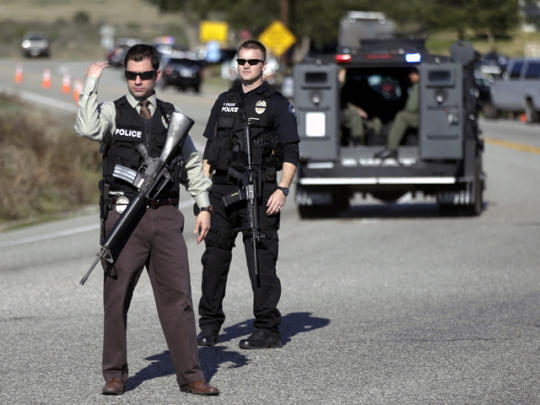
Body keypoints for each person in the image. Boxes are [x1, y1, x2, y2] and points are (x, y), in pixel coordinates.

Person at [74, 44, 219, 396]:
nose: (137, 81)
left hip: (166, 215)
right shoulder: (112, 111)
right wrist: (90, 83)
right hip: (124, 214)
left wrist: (203, 206)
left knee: (178, 299)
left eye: (144, 74)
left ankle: (191, 375)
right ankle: (115, 374)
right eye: (131, 75)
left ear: (157, 75)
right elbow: (87, 128)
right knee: (116, 298)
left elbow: (189, 164)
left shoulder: (172, 116)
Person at [197, 40, 299, 349]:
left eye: (252, 61)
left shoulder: (277, 103)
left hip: (260, 192)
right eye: (241, 60)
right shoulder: (225, 100)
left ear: (264, 66)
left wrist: (282, 189)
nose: (246, 65)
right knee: (214, 260)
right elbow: (208, 153)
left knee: (260, 262)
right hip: (222, 191)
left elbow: (291, 151)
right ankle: (209, 326)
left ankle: (267, 328)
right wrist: (204, 198)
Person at [374, 68, 420, 159]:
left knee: (401, 116)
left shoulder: (418, 86)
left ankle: (391, 149)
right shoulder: (417, 85)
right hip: (424, 116)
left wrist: (404, 111)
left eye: (412, 74)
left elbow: (411, 107)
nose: (410, 76)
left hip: (422, 117)